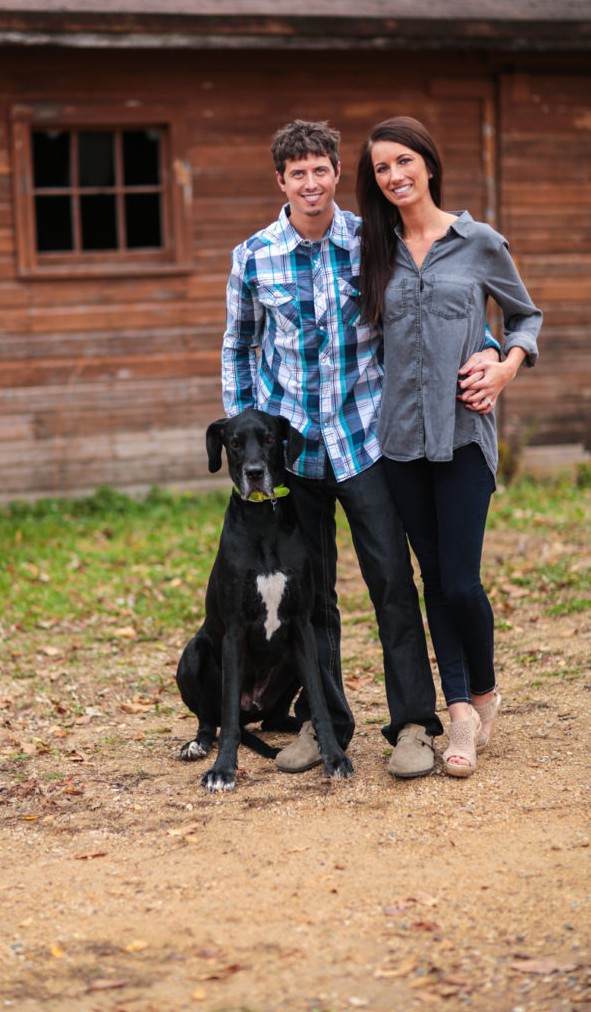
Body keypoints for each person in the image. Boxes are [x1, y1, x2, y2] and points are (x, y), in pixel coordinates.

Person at [222, 120, 499, 778]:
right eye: (297, 174)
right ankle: (325, 723)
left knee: (393, 586)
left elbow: (441, 299)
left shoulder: (370, 242)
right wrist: (245, 441)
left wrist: (488, 347)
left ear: (336, 174)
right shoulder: (252, 255)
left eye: (321, 170)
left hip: (367, 442)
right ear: (280, 182)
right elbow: (237, 347)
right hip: (294, 455)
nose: (311, 183)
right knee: (312, 597)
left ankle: (410, 725)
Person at [355, 115, 542, 777]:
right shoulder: (369, 249)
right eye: (381, 168)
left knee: (462, 582)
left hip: (463, 433)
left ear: (428, 164)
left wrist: (503, 363)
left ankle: (483, 688)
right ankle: (461, 708)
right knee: (433, 579)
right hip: (399, 439)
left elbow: (523, 314)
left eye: (404, 161)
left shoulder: (478, 242)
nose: (395, 175)